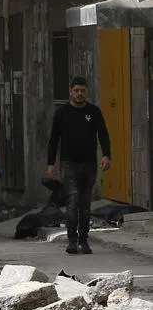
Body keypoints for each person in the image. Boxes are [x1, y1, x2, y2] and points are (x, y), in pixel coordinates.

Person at [46, 76, 111, 255]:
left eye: (82, 91)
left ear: (87, 92)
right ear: (71, 91)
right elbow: (53, 139)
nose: (80, 94)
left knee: (85, 204)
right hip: (69, 165)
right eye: (76, 91)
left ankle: (84, 240)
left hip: (89, 164)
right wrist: (51, 163)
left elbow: (103, 134)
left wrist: (106, 155)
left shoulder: (94, 112)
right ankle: (72, 241)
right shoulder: (62, 113)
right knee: (72, 201)